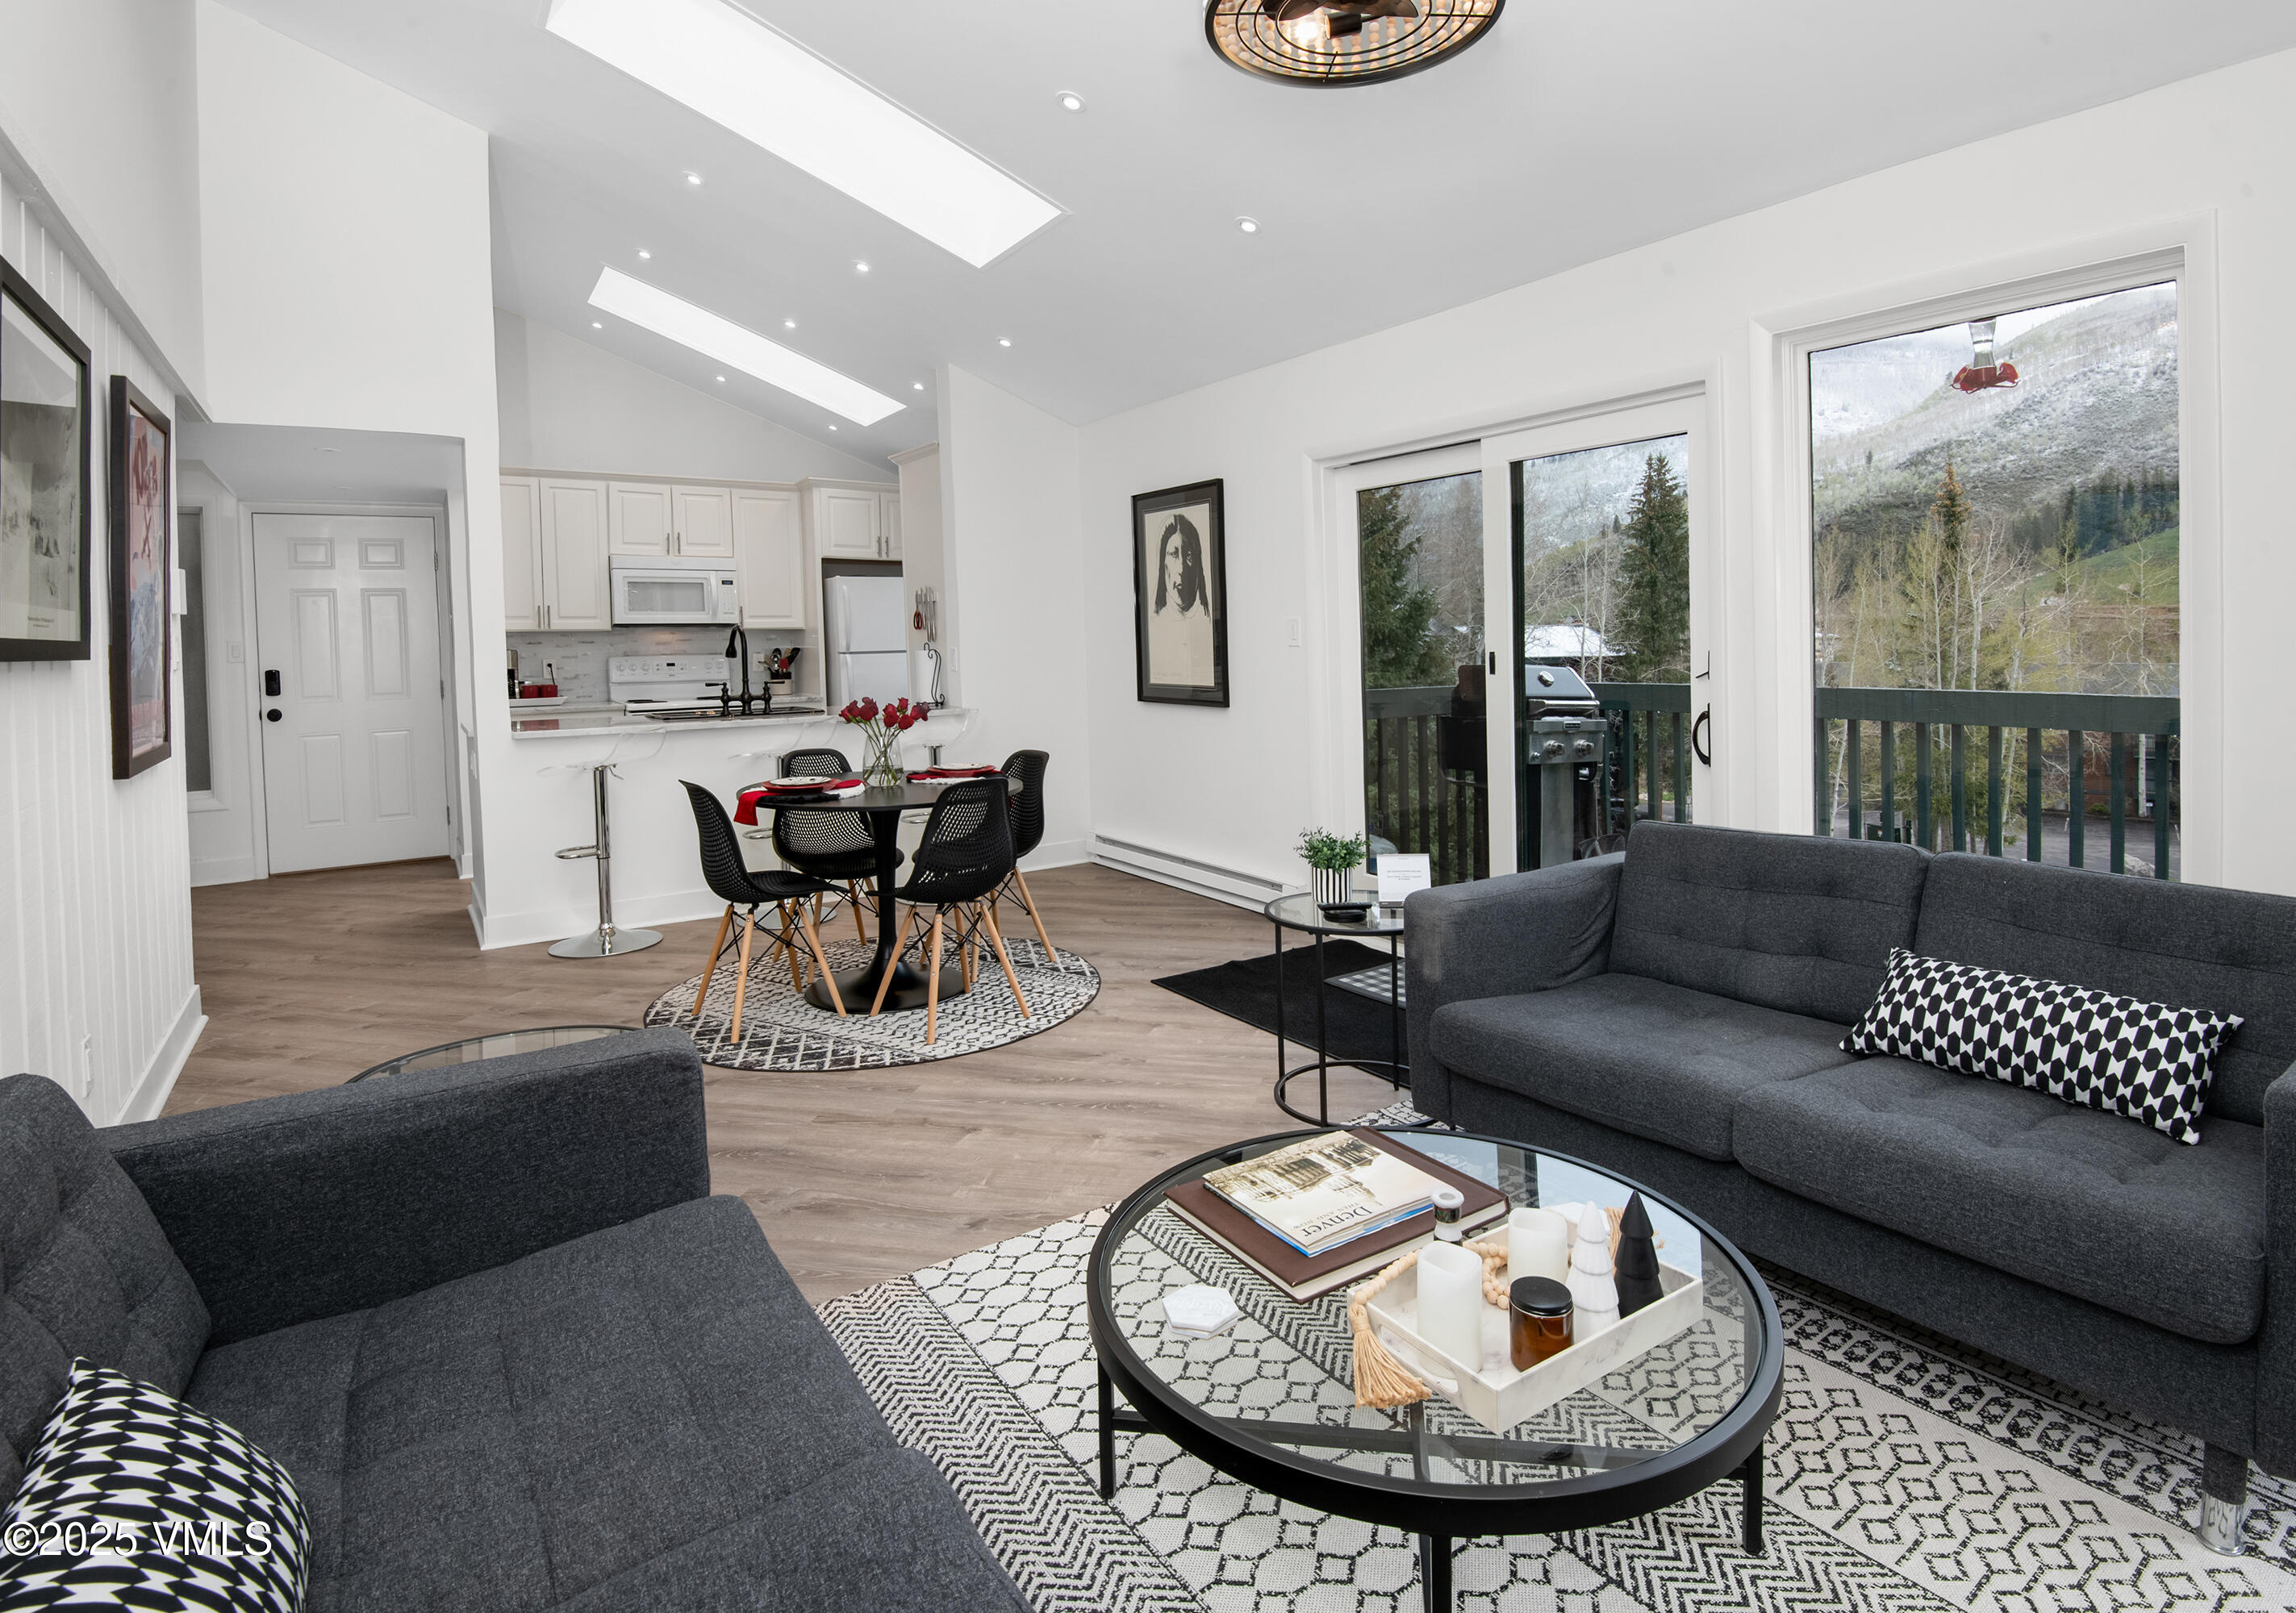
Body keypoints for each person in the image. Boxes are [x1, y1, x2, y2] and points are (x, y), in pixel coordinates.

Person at [1146, 511, 1215, 688]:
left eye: (1189, 555)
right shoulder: (1154, 626)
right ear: (1163, 563)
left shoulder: (1207, 623)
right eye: (1174, 555)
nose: (1182, 568)